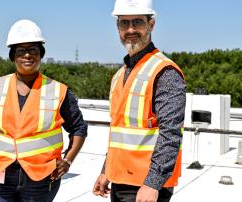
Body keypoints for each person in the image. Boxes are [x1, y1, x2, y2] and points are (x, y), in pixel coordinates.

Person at [0, 19, 87, 202]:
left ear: (41, 55)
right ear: (13, 56)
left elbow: (79, 128)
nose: (27, 55)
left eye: (33, 50)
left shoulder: (58, 91)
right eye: (21, 50)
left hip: (41, 179)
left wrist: (68, 161)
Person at [92, 0, 186, 201]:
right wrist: (106, 170)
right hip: (121, 180)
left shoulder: (165, 71)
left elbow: (170, 134)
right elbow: (119, 132)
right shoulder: (120, 74)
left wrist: (152, 183)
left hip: (146, 186)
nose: (131, 29)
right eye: (124, 23)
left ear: (151, 25)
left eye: (137, 22)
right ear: (117, 27)